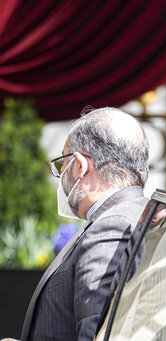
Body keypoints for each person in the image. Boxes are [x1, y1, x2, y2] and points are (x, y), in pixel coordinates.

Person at [14, 107, 150, 341]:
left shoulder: (112, 226)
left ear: (79, 166)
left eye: (61, 165)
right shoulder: (138, 212)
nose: (61, 178)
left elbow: (96, 334)